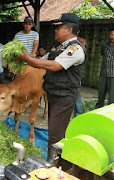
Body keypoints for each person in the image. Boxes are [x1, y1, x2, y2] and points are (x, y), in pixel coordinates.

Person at [15, 13, 85, 162]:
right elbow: (39, 61)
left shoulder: (75, 49)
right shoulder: (59, 47)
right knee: (55, 131)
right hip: (55, 94)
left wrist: (27, 58)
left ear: (68, 30)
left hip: (65, 97)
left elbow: (55, 65)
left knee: (55, 135)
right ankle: (56, 162)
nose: (55, 30)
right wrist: (23, 60)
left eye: (58, 27)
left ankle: (55, 167)